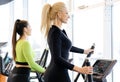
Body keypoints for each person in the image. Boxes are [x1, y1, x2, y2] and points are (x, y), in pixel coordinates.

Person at [40, 2, 93, 82]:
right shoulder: (55, 32)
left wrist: (84, 51)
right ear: (59, 14)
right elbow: (57, 58)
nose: (68, 16)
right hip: (57, 74)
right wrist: (80, 69)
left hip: (59, 72)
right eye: (66, 13)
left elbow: (67, 47)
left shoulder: (60, 31)